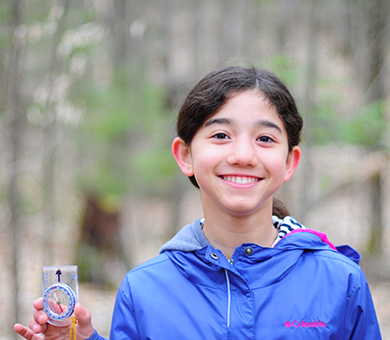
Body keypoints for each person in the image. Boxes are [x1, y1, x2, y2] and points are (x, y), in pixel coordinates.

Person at [14, 66, 382, 339]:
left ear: (290, 162)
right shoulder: (145, 290)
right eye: (221, 135)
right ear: (185, 155)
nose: (242, 155)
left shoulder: (339, 282)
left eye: (265, 139)